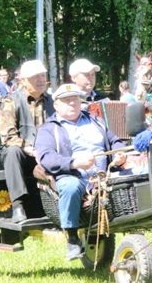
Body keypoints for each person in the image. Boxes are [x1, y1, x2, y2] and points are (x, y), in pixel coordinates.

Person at [35, 84, 126, 261]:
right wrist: (74, 163)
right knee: (70, 186)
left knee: (136, 175)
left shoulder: (95, 121)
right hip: (73, 176)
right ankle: (72, 237)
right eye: (66, 101)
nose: (72, 104)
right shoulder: (49, 128)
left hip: (104, 175)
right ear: (56, 106)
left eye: (75, 99)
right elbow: (46, 157)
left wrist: (120, 153)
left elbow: (114, 140)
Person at [0, 60, 55, 223]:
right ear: (23, 80)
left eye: (43, 75)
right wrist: (28, 148)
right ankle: (18, 206)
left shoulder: (52, 101)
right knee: (12, 151)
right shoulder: (11, 100)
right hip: (22, 154)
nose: (41, 80)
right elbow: (8, 136)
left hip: (46, 152)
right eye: (35, 76)